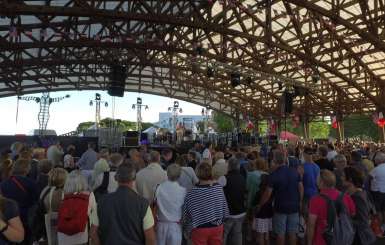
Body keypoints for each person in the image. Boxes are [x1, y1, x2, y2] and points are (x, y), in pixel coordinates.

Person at [97, 163, 156, 245]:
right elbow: (150, 238)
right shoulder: (143, 204)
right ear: (134, 178)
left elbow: (93, 232)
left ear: (116, 178)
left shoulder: (102, 201)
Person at [257, 150, 303, 245]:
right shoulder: (294, 172)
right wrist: (300, 201)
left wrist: (260, 205)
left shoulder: (273, 175)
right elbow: (301, 188)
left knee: (280, 233)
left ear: (274, 161)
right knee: (292, 233)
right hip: (294, 206)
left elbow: (267, 194)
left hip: (280, 207)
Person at [182, 162, 229, 245]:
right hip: (217, 227)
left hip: (199, 228)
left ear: (197, 173)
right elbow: (224, 208)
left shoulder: (192, 192)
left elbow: (186, 214)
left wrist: (186, 227)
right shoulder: (218, 187)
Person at [307, 169, 356, 245]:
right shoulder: (346, 197)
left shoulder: (315, 200)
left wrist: (309, 242)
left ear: (321, 182)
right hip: (342, 238)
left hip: (322, 239)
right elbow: (352, 214)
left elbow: (311, 225)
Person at [0, 159, 38, 245]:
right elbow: (36, 199)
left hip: (8, 220)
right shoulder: (31, 183)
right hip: (26, 216)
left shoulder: (3, 183)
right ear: (26, 169)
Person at [57, 170, 99, 245]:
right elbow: (95, 218)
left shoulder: (63, 194)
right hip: (81, 236)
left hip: (63, 237)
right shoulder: (89, 195)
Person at [343, 167, 376, 245]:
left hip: (360, 237)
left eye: (343, 176)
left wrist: (343, 220)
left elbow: (363, 221)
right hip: (358, 235)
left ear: (350, 179)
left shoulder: (357, 197)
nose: (341, 178)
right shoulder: (359, 193)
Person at [155, 164, 186, 245]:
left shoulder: (158, 188)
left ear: (167, 173)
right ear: (179, 176)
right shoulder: (183, 191)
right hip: (175, 226)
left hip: (161, 225)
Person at [223, 158, 247, 245]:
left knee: (224, 235)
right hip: (241, 211)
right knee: (238, 234)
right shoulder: (242, 178)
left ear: (228, 166)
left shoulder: (224, 178)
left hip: (228, 213)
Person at [302, 147, 320, 212]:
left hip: (305, 194)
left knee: (305, 215)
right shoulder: (317, 167)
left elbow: (300, 182)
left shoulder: (302, 166)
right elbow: (318, 183)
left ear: (304, 154)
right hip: (315, 193)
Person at [369, 152, 385, 228]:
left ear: (378, 160)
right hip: (383, 191)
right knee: (383, 210)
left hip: (377, 192)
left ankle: (380, 227)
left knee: (378, 210)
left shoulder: (376, 169)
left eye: (375, 160)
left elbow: (368, 179)